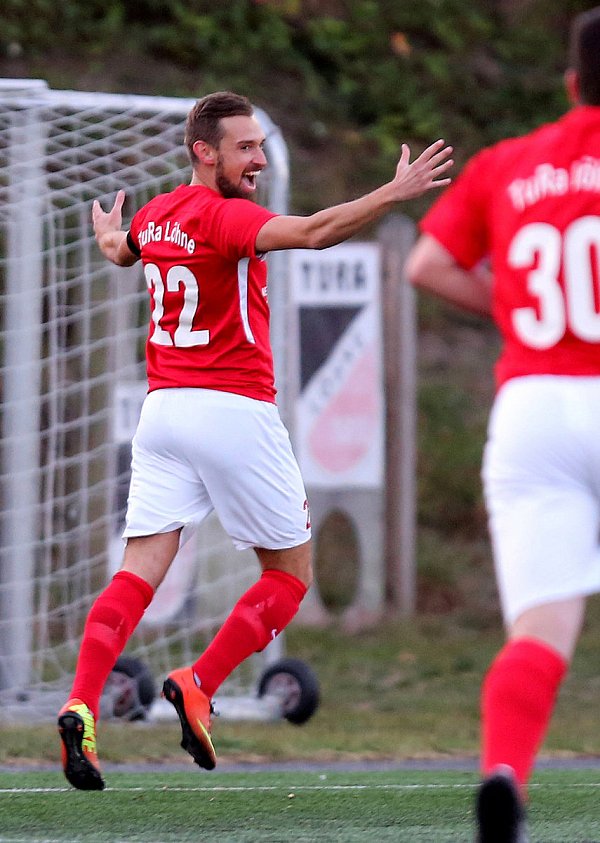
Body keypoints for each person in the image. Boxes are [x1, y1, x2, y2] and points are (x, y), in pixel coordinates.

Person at [57, 90, 453, 791]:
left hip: (163, 413)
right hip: (231, 409)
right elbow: (312, 233)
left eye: (260, 147)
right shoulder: (224, 217)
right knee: (290, 574)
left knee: (136, 572)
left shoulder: (156, 214)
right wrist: (393, 192)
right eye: (245, 147)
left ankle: (81, 702)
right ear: (203, 152)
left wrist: (107, 236)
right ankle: (199, 681)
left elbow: (124, 251)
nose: (259, 160)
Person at [405, 8, 600, 843]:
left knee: (540, 631)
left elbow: (426, 263)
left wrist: (520, 315)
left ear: (570, 82)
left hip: (533, 409)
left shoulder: (507, 163)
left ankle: (504, 777)